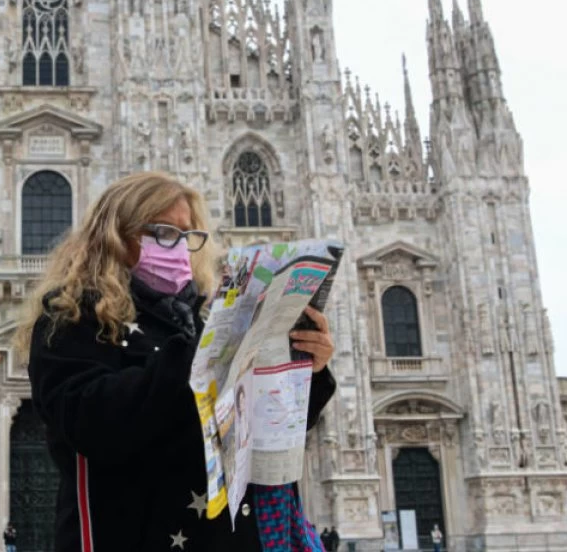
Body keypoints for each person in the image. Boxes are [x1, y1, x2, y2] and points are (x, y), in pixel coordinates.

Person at [20, 172, 336, 552]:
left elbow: (255, 427)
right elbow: (89, 420)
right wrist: (199, 352)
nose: (181, 247)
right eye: (165, 233)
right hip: (131, 534)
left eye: (188, 236)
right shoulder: (70, 317)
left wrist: (306, 368)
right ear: (116, 236)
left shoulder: (198, 317)